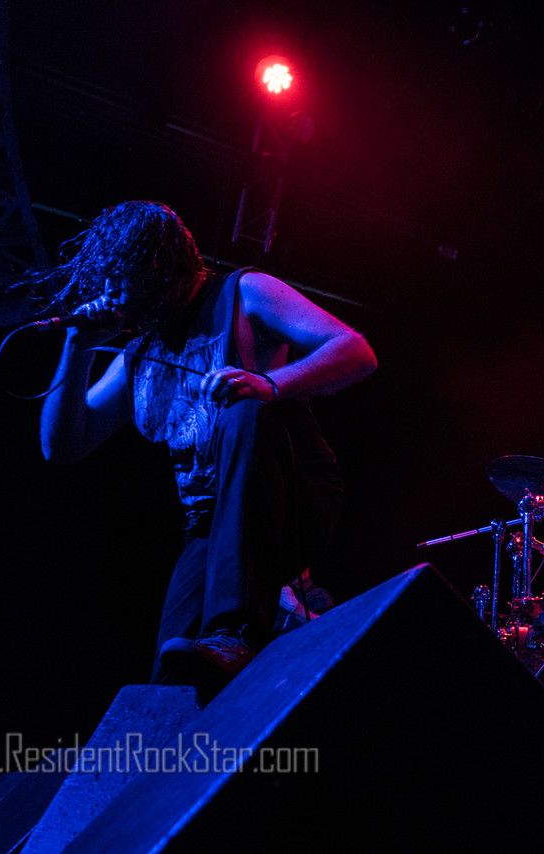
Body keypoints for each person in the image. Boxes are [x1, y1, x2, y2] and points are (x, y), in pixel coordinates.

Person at [36, 201, 377, 686]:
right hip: (213, 525)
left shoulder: (244, 293)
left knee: (243, 407)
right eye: (105, 281)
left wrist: (269, 384)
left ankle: (238, 628)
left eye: (120, 278)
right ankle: (256, 628)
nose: (112, 295)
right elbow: (62, 446)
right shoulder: (140, 353)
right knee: (172, 676)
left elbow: (356, 352)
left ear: (155, 266)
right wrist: (78, 347)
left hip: (290, 495)